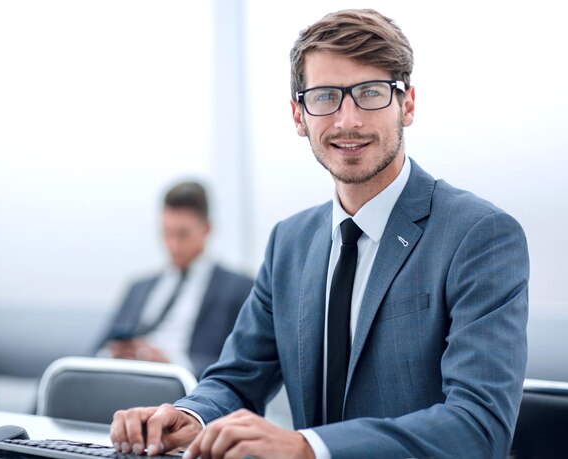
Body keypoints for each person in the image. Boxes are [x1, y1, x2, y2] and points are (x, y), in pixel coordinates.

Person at [110, 9, 529, 458]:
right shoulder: (289, 242)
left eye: (369, 93)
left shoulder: (480, 235)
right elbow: (236, 379)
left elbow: (478, 427)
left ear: (407, 104)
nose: (347, 120)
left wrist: (309, 448)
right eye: (326, 96)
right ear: (298, 114)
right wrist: (190, 416)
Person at [97, 181, 254, 378]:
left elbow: (243, 364)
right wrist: (113, 354)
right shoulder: (138, 287)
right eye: (167, 233)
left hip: (186, 392)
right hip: (125, 381)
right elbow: (97, 350)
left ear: (206, 229)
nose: (173, 245)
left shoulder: (238, 288)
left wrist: (173, 363)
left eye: (183, 234)